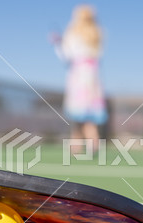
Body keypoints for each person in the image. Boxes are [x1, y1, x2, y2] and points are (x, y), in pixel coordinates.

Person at [52, 5, 107, 153]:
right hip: (93, 78)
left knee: (77, 115)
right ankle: (93, 145)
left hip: (78, 76)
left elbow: (67, 56)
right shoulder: (97, 34)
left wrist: (58, 43)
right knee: (90, 116)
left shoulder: (73, 33)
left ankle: (75, 147)